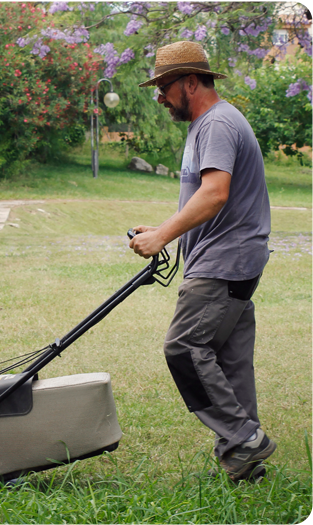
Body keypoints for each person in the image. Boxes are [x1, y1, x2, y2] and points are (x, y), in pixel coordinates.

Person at [129, 41, 275, 481]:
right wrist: (163, 228)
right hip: (234, 260)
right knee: (228, 360)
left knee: (185, 348)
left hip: (223, 263)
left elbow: (215, 194)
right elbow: (205, 199)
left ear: (190, 81)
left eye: (164, 87)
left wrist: (161, 237)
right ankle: (242, 462)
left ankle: (244, 438)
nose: (159, 97)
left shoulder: (216, 123)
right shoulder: (209, 124)